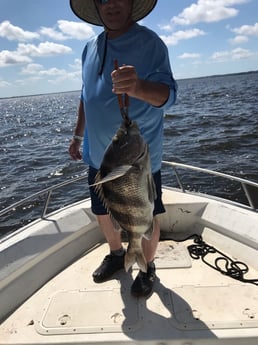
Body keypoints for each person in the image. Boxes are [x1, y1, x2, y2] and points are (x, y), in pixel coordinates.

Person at [69, 0, 177, 297]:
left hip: (135, 161)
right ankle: (118, 254)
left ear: (131, 3)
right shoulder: (90, 46)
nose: (111, 4)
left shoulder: (150, 43)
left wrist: (138, 87)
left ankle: (147, 267)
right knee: (103, 212)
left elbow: (169, 95)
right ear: (96, 6)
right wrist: (78, 137)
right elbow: (85, 96)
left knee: (145, 215)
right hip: (98, 155)